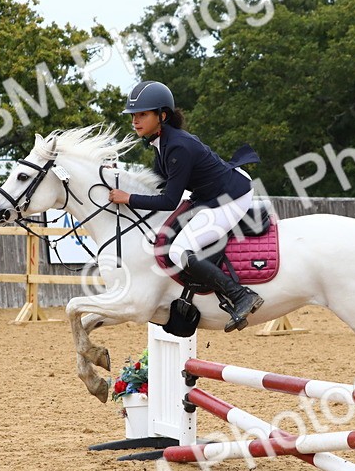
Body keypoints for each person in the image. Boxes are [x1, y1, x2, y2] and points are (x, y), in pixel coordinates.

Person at [107, 80, 265, 331]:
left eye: (142, 115)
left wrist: (128, 198)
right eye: (133, 115)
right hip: (209, 195)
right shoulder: (161, 142)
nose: (135, 121)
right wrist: (119, 174)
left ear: (162, 115)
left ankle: (240, 295)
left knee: (179, 250)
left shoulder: (177, 146)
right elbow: (159, 183)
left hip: (231, 196)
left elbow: (169, 201)